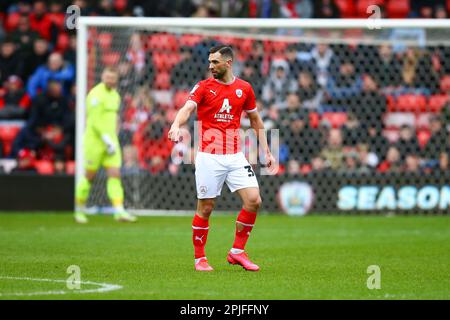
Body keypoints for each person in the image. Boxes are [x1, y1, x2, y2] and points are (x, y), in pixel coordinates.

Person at [168, 45, 276, 272]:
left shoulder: (244, 88)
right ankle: (200, 259)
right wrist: (176, 124)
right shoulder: (203, 87)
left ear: (228, 63)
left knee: (254, 200)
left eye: (215, 62)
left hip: (235, 156)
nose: (210, 66)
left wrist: (266, 151)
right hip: (209, 156)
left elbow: (255, 121)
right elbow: (188, 108)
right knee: (206, 208)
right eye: (209, 62)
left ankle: (237, 252)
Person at [74, 67, 137, 224]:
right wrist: (106, 139)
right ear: (102, 76)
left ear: (116, 79)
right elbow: (94, 121)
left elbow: (114, 118)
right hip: (95, 142)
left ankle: (119, 211)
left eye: (112, 77)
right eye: (107, 77)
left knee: (115, 174)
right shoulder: (95, 95)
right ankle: (79, 210)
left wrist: (113, 137)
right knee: (89, 176)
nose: (110, 80)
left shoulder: (115, 95)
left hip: (111, 142)